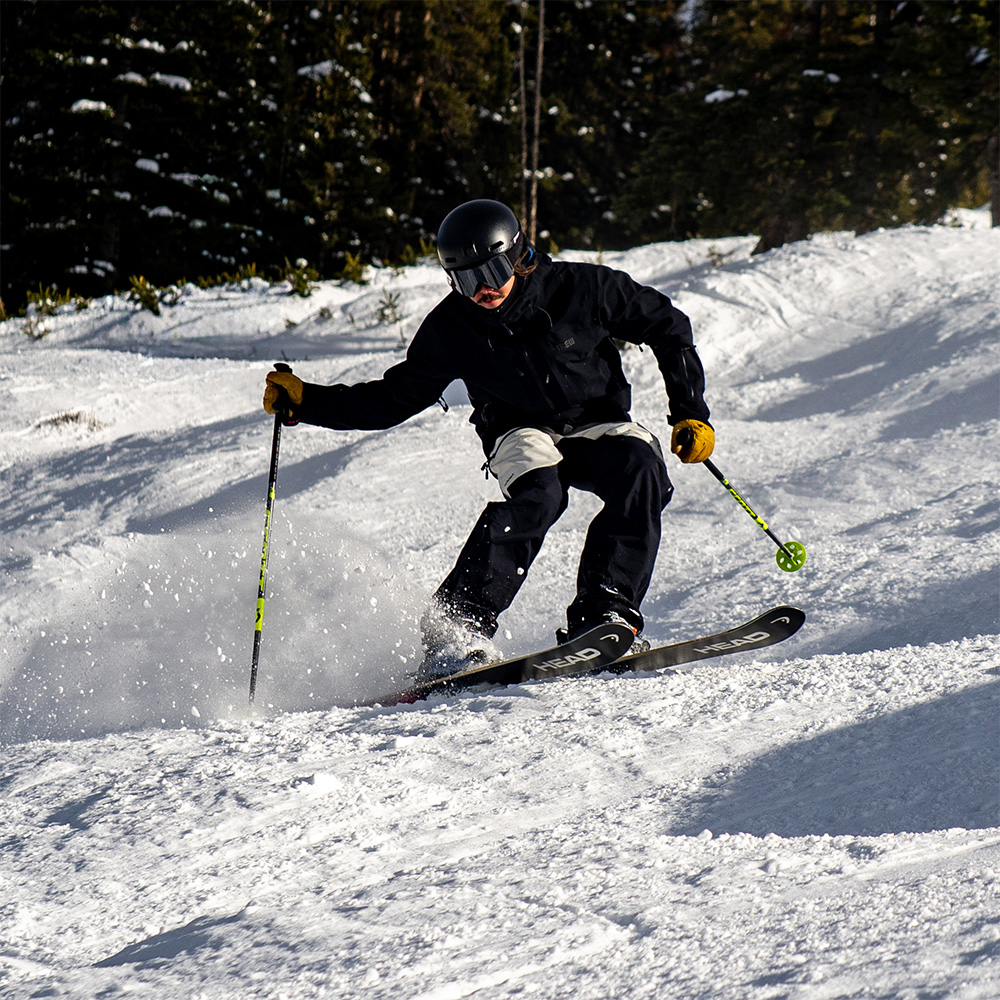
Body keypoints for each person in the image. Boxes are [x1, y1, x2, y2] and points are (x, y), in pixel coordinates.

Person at [263, 199, 714, 678]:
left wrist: (690, 413)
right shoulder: (451, 328)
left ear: (519, 255)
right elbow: (391, 399)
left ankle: (604, 612)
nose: (483, 289)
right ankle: (456, 630)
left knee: (640, 468)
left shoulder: (583, 288)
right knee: (539, 495)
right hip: (518, 430)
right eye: (466, 280)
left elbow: (668, 326)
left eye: (493, 271)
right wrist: (307, 401)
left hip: (597, 420)